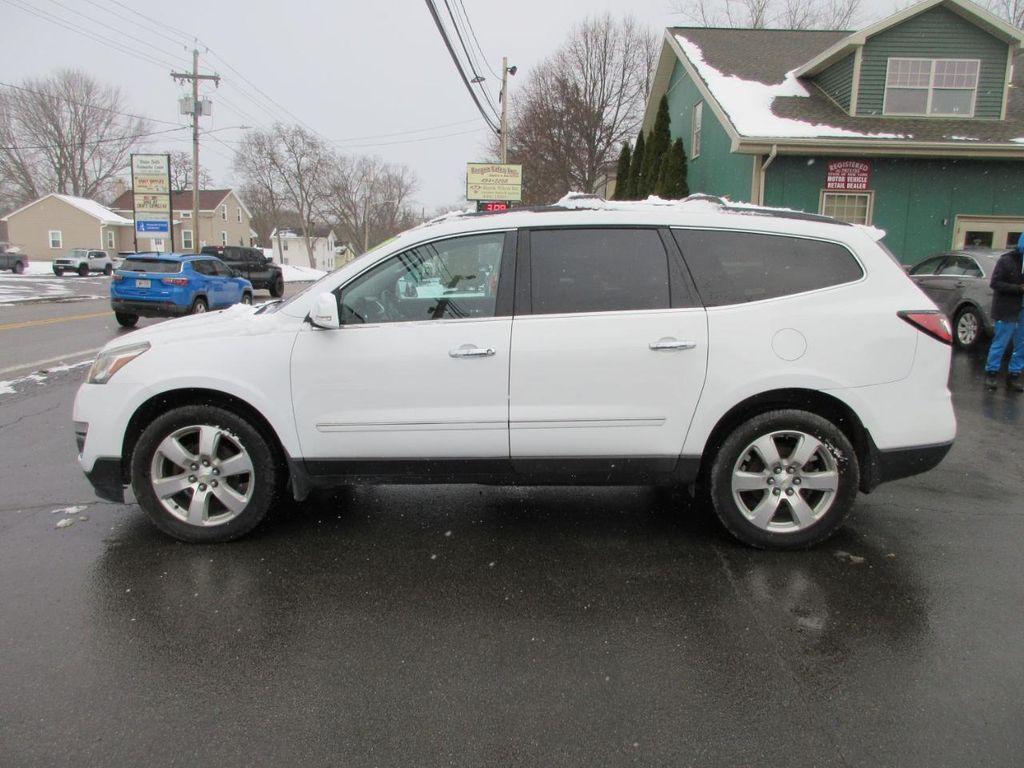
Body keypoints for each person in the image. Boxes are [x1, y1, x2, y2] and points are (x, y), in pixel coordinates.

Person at [985, 233, 1024, 391]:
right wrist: (1018, 288)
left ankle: (1014, 374)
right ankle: (992, 373)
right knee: (1000, 342)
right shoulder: (1007, 261)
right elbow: (995, 283)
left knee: (1021, 344)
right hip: (1007, 309)